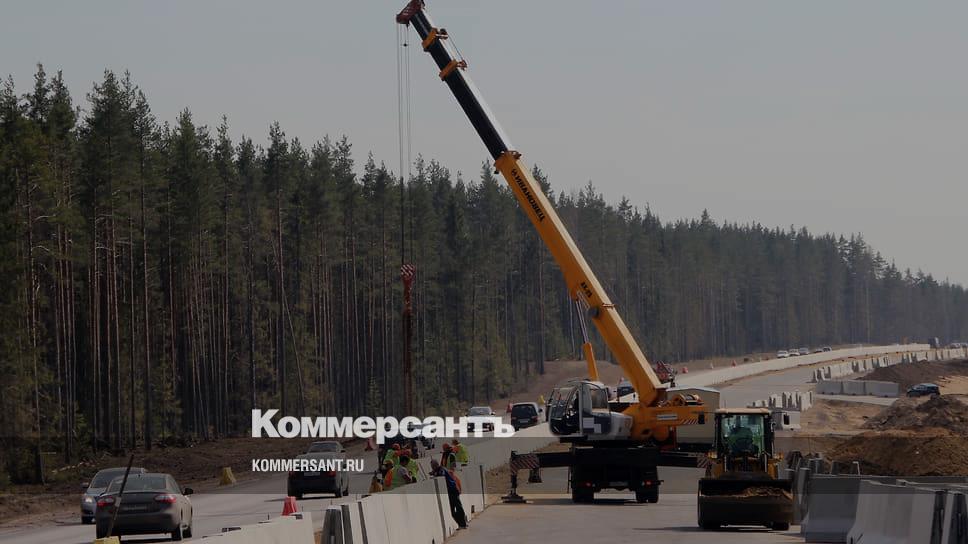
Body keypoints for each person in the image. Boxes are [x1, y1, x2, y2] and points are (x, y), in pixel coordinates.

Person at [431, 459, 467, 529]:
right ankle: (461, 524)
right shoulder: (440, 469)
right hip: (450, 491)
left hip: (452, 490)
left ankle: (463, 524)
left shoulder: (441, 469)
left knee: (458, 507)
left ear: (435, 465)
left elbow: (441, 475)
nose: (432, 468)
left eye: (432, 466)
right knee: (453, 510)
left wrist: (434, 474)